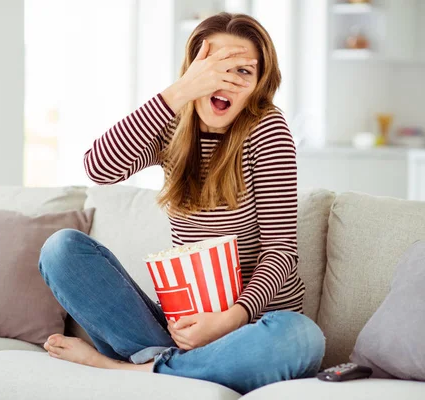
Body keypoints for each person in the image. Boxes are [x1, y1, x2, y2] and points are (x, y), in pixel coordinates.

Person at [38, 12, 325, 395]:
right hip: (178, 330)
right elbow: (99, 168)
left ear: (258, 84)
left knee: (302, 338)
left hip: (251, 328)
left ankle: (122, 369)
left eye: (242, 71)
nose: (226, 80)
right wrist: (176, 94)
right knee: (61, 249)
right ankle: (179, 365)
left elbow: (280, 251)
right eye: (214, 66)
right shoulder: (173, 125)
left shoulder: (266, 129)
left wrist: (228, 320)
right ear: (192, 71)